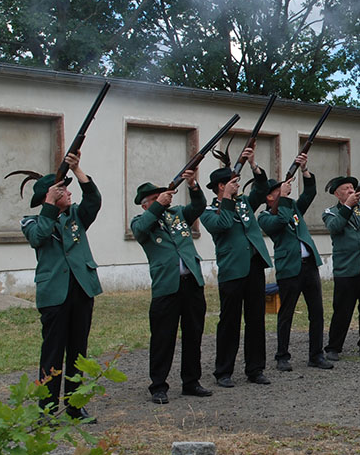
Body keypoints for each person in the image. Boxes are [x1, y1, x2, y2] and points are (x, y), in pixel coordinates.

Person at [20, 152, 101, 423]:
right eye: (62, 190)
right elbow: (39, 237)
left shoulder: (77, 215)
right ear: (50, 196)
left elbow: (94, 200)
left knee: (78, 351)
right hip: (54, 294)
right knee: (52, 352)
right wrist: (49, 206)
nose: (68, 192)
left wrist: (78, 170)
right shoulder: (32, 221)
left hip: (81, 289)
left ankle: (75, 405)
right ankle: (47, 408)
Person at [130, 169, 213, 404]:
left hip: (191, 283)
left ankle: (191, 381)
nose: (163, 201)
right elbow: (140, 230)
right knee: (162, 338)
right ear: (146, 205)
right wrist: (158, 206)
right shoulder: (142, 221)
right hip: (167, 286)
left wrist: (193, 184)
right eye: (156, 199)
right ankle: (158, 385)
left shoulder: (176, 214)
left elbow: (198, 206)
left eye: (162, 197)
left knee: (193, 334)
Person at [201, 147, 274, 387]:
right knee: (229, 321)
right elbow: (222, 224)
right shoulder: (210, 210)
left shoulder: (244, 203)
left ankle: (256, 368)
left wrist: (253, 165)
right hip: (232, 269)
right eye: (232, 183)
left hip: (254, 266)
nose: (236, 186)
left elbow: (262, 190)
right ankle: (223, 371)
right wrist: (227, 200)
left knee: (256, 319)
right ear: (221, 186)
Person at [258, 154, 332, 371]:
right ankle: (282, 355)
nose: (285, 191)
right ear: (269, 198)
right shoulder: (264, 216)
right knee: (286, 312)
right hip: (289, 266)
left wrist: (305, 171)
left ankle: (316, 355)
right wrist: (283, 199)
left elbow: (310, 193)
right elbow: (280, 221)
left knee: (316, 311)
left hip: (309, 265)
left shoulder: (292, 207)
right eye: (278, 191)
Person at [322, 174, 360, 360]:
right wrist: (348, 205)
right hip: (347, 267)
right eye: (346, 189)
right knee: (342, 309)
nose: (351, 190)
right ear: (337, 194)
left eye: (352, 187)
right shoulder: (330, 212)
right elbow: (336, 227)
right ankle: (334, 347)